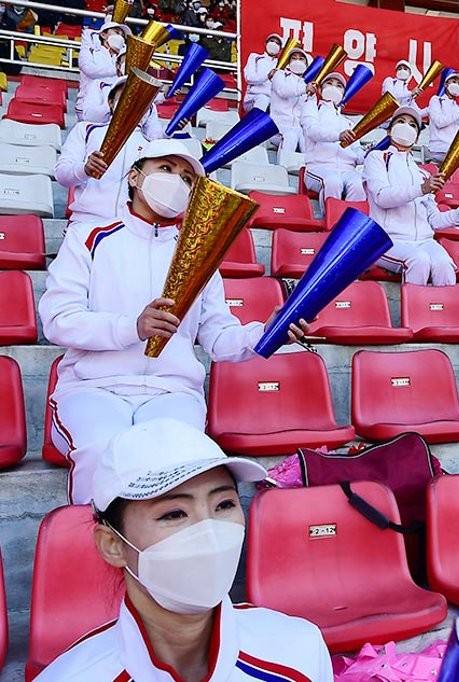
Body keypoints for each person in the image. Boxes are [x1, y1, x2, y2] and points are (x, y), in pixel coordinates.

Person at [39, 139, 309, 504]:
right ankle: (94, 555)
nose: (176, 182)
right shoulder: (88, 238)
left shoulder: (201, 254)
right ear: (135, 177)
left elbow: (218, 336)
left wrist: (268, 332)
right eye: (165, 169)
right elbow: (58, 319)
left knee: (186, 462)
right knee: (103, 452)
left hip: (173, 392)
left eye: (186, 178)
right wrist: (131, 327)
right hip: (93, 389)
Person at [35, 419, 333, 681]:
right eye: (174, 514)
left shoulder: (300, 652)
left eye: (224, 505)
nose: (210, 534)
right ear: (113, 545)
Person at [363, 108, 459, 285]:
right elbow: (382, 197)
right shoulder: (377, 158)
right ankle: (413, 311)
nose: (406, 127)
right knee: (419, 260)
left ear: (417, 138)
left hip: (424, 241)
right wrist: (421, 189)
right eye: (400, 122)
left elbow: (435, 220)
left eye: (412, 125)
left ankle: (444, 312)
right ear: (389, 130)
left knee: (444, 265)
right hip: (387, 239)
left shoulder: (423, 174)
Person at [56, 78, 163, 229]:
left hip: (129, 230)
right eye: (125, 97)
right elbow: (61, 175)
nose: (131, 104)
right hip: (85, 224)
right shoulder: (86, 130)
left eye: (140, 101)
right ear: (111, 102)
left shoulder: (153, 148)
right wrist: (85, 169)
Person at [300, 72, 366, 203]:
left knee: (359, 184)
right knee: (333, 182)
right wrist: (338, 135)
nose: (333, 88)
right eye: (329, 84)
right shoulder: (312, 108)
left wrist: (369, 154)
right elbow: (312, 131)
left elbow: (358, 153)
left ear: (343, 94)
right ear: (320, 89)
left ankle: (350, 222)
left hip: (348, 170)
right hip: (318, 167)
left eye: (339, 86)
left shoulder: (349, 123)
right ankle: (331, 221)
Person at [76, 20, 126, 121]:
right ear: (103, 35)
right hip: (88, 106)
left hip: (115, 109)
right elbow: (89, 69)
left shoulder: (124, 58)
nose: (120, 37)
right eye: (116, 32)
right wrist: (118, 69)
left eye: (122, 35)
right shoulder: (91, 52)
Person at [269, 47, 313, 154]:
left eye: (301, 59)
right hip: (277, 127)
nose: (297, 61)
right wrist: (304, 89)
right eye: (294, 58)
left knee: (308, 141)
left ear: (307, 64)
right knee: (290, 137)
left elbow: (310, 112)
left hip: (299, 129)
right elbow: (283, 91)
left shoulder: (308, 85)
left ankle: (307, 170)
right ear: (289, 62)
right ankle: (282, 168)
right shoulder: (279, 75)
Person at [426, 70, 459, 164]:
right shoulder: (436, 100)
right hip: (438, 147)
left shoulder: (458, 108)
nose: (457, 85)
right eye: (454, 82)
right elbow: (439, 122)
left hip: (453, 148)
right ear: (445, 84)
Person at [242, 32, 282, 112]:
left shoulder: (281, 65)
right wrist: (267, 76)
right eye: (271, 41)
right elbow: (249, 78)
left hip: (273, 101)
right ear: (265, 43)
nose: (274, 44)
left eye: (277, 43)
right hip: (254, 98)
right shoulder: (255, 57)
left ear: (280, 49)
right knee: (263, 99)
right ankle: (256, 121)